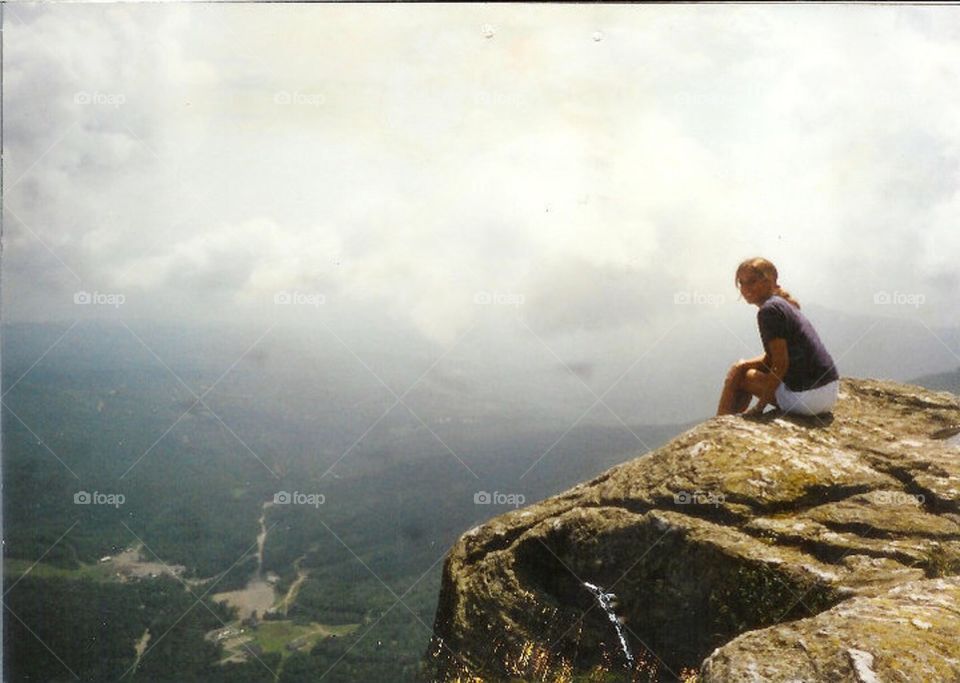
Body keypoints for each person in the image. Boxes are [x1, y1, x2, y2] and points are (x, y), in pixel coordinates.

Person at [717, 257, 839, 417]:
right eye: (741, 283)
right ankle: (725, 420)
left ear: (770, 281)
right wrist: (741, 365)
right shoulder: (783, 304)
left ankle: (722, 421)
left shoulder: (768, 312)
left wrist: (758, 408)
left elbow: (780, 365)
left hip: (808, 399)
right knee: (740, 369)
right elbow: (773, 358)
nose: (745, 288)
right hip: (829, 391)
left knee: (742, 378)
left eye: (752, 281)